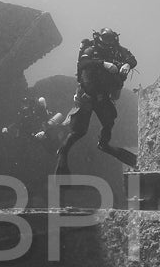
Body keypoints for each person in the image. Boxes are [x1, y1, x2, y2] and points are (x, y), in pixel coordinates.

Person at [55, 28, 138, 175]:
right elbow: (83, 63)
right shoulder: (91, 50)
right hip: (87, 96)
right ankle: (62, 154)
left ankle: (104, 145)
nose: (108, 41)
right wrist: (103, 64)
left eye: (111, 38)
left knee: (109, 121)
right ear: (99, 38)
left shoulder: (118, 51)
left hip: (103, 97)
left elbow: (132, 59)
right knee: (79, 131)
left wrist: (127, 65)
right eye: (105, 38)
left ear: (115, 39)